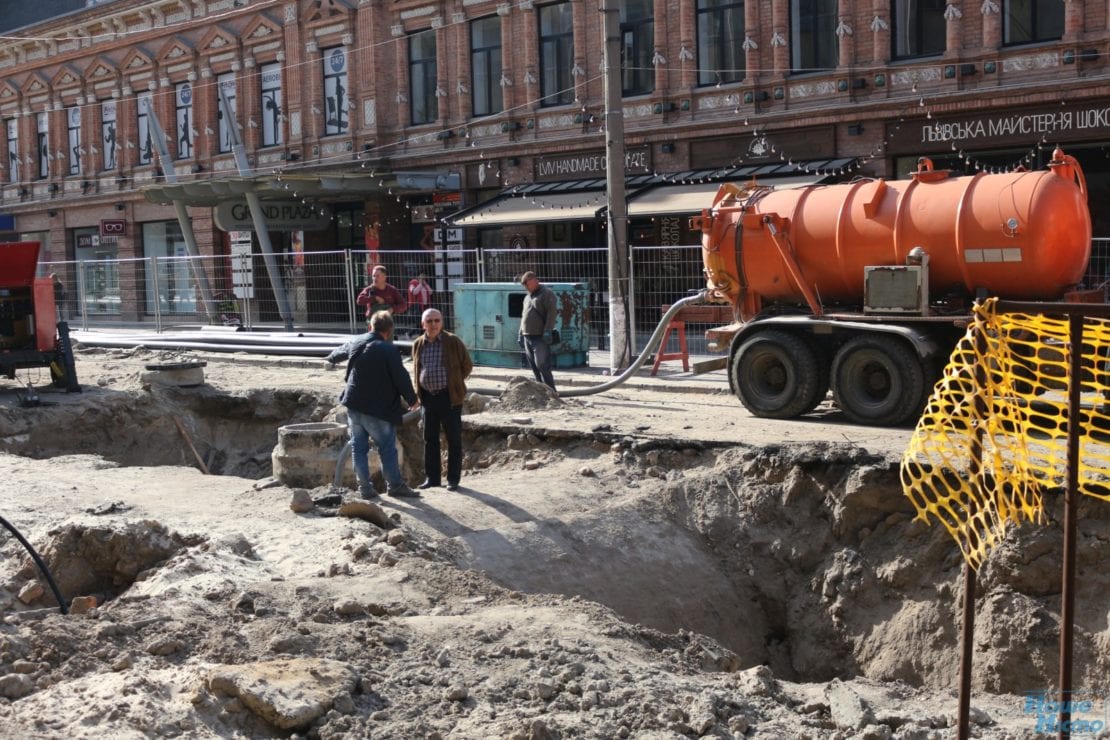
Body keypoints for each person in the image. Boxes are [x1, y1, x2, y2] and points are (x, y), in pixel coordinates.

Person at [326, 312, 420, 499]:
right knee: (386, 447)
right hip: (377, 409)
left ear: (370, 327)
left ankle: (365, 489)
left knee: (358, 448)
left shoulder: (357, 341)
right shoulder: (389, 350)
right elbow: (401, 378)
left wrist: (330, 359)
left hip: (353, 405)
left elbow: (337, 353)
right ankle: (394, 486)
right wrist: (412, 400)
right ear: (389, 331)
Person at [411, 308, 473, 492]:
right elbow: (417, 368)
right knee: (430, 439)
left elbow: (467, 366)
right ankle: (432, 479)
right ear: (423, 324)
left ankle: (453, 479)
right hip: (428, 398)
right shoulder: (418, 344)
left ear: (442, 322)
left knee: (453, 439)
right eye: (429, 321)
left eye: (437, 320)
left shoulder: (452, 341)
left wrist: (454, 383)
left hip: (449, 397)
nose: (433, 324)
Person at [517, 270, 558, 390]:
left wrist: (548, 330)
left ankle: (551, 391)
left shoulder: (546, 294)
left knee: (542, 365)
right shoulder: (527, 297)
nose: (525, 287)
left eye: (527, 284)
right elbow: (524, 316)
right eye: (524, 285)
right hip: (527, 336)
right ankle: (540, 391)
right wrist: (520, 333)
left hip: (539, 336)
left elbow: (552, 313)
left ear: (534, 281)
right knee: (534, 366)